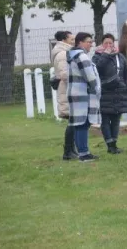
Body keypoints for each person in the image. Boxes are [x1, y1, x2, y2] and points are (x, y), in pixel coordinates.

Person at [92, 33, 127, 155]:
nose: (109, 45)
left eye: (111, 43)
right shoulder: (97, 56)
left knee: (116, 119)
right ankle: (109, 144)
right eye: (106, 43)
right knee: (105, 119)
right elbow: (97, 69)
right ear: (101, 44)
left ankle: (114, 143)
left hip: (119, 91)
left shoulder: (120, 56)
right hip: (105, 91)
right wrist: (105, 55)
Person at [67, 32, 101, 162]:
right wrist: (97, 89)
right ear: (80, 42)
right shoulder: (81, 56)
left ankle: (83, 151)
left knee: (79, 123)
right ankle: (83, 153)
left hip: (77, 93)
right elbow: (90, 77)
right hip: (83, 94)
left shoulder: (74, 55)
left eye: (91, 42)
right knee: (82, 123)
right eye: (88, 42)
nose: (91, 44)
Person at [51, 31, 77, 160]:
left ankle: (72, 150)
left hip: (68, 89)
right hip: (68, 90)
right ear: (64, 40)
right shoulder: (62, 54)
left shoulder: (64, 51)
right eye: (71, 39)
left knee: (73, 121)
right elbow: (64, 74)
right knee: (72, 122)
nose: (74, 41)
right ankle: (68, 151)